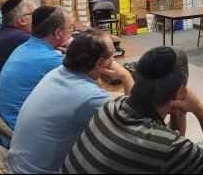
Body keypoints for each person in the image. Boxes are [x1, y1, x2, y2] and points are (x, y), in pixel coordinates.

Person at [63, 47, 203, 174]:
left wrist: (177, 107)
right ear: (180, 92)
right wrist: (200, 110)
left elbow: (172, 139)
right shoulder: (167, 147)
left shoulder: (111, 107)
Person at [8, 28, 134, 174]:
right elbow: (132, 119)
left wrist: (98, 74)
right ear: (100, 63)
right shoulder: (89, 96)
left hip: (19, 165)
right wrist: (126, 76)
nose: (114, 61)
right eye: (112, 56)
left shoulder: (57, 72)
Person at [0, 6, 74, 143]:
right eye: (70, 28)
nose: (72, 32)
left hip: (9, 128)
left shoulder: (24, 47)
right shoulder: (50, 60)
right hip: (25, 138)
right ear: (58, 33)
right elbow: (90, 80)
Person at [0, 0, 37, 78]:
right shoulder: (22, 38)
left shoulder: (5, 32)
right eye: (36, 14)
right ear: (22, 20)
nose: (41, 18)